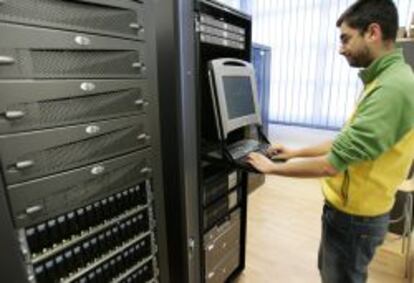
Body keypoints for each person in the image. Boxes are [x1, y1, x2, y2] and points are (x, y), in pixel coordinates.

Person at [246, 0, 414, 282]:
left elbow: (331, 165)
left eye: (346, 38)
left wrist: (272, 168)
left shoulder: (392, 89)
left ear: (372, 32)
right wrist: (293, 153)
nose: (340, 48)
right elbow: (346, 142)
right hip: (352, 213)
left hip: (356, 219)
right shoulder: (385, 80)